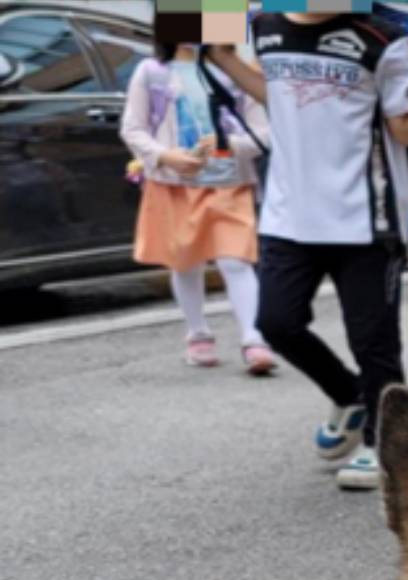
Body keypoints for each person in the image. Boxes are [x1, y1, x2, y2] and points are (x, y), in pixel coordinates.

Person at [208, 14, 408, 490]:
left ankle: (384, 444)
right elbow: (277, 97)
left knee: (374, 342)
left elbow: (406, 131)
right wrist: (221, 54)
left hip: (366, 215)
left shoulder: (387, 36)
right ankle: (350, 396)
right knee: (277, 323)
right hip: (289, 212)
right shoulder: (262, 23)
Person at [121, 20, 274, 374]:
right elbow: (133, 127)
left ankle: (254, 339)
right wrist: (164, 156)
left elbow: (265, 132)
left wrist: (230, 145)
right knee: (185, 261)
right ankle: (197, 333)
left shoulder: (237, 72)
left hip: (229, 182)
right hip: (173, 184)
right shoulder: (150, 72)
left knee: (235, 260)